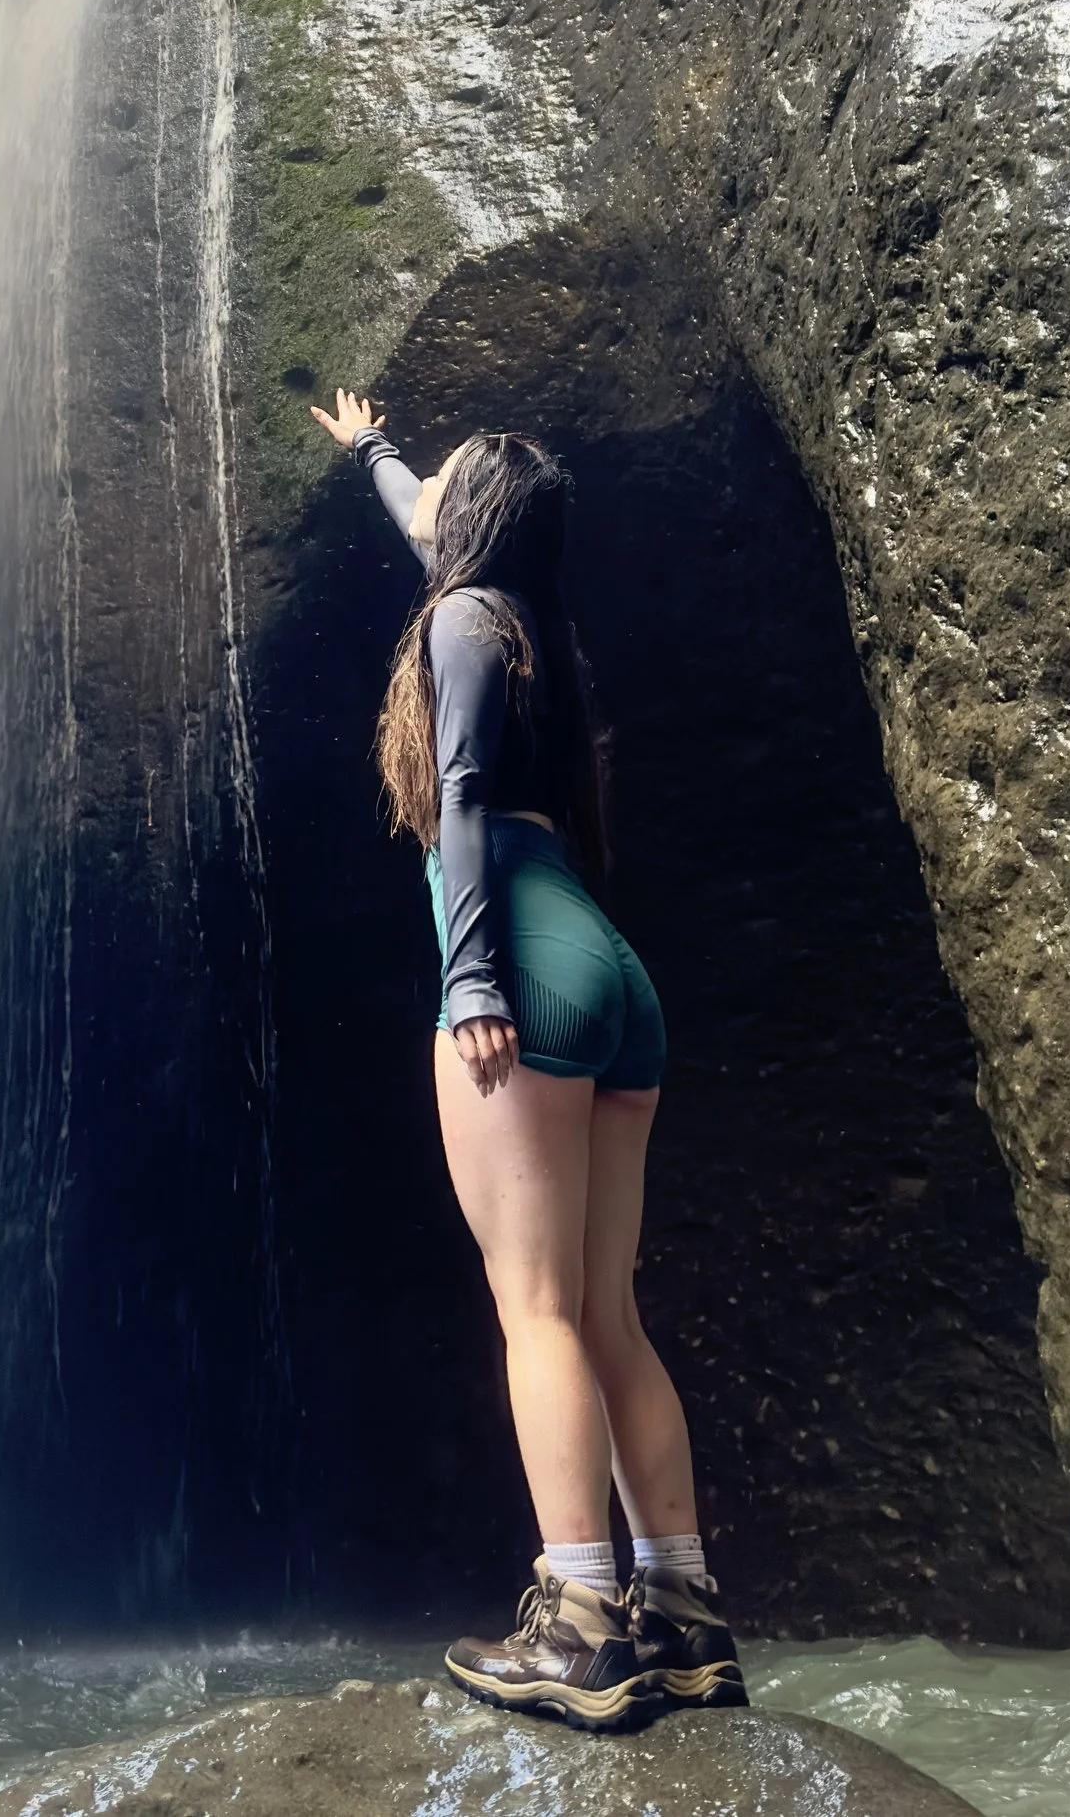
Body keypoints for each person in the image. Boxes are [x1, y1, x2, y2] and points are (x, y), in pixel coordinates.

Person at [308, 388, 746, 1734]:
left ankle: (580, 1625)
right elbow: (425, 528)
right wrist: (376, 452)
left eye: (441, 483)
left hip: (522, 972)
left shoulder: (456, 626)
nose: (423, 498)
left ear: (474, 521)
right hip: (611, 974)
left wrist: (473, 976)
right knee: (606, 1313)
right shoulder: (524, 629)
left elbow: (466, 810)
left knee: (537, 1312)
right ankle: (683, 1618)